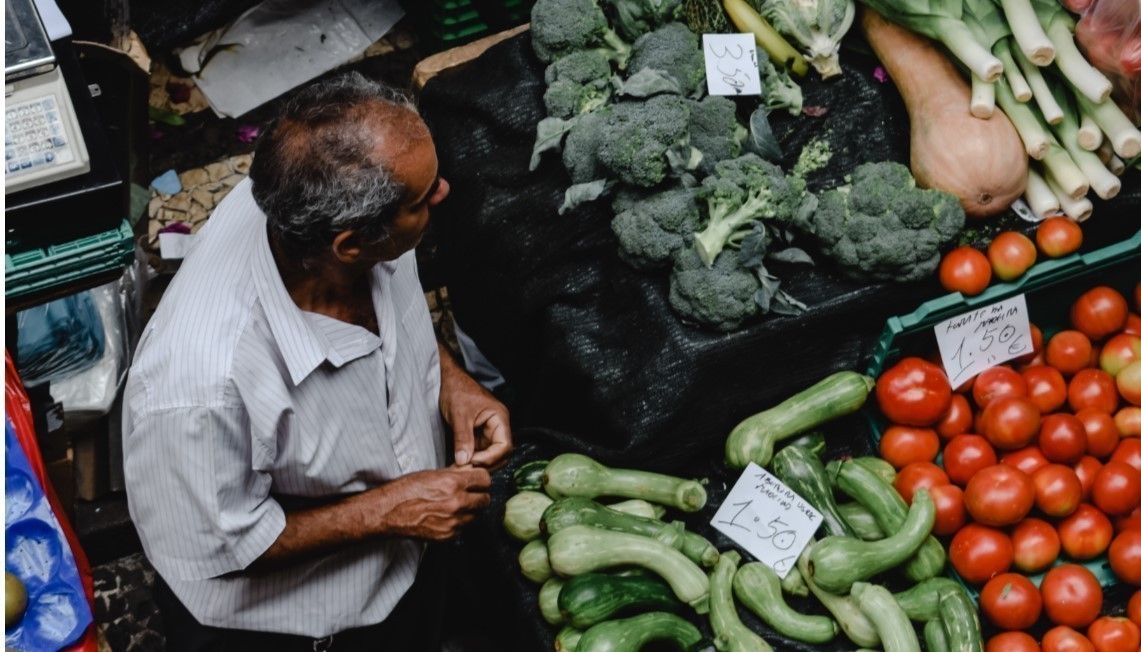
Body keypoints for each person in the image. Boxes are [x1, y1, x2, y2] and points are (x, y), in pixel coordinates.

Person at [122, 72, 512, 651]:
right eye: (422, 196)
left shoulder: (339, 210)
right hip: (304, 627)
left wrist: (448, 382)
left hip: (404, 565)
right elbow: (218, 545)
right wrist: (387, 512)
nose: (443, 193)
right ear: (349, 244)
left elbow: (396, 314)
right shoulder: (199, 388)